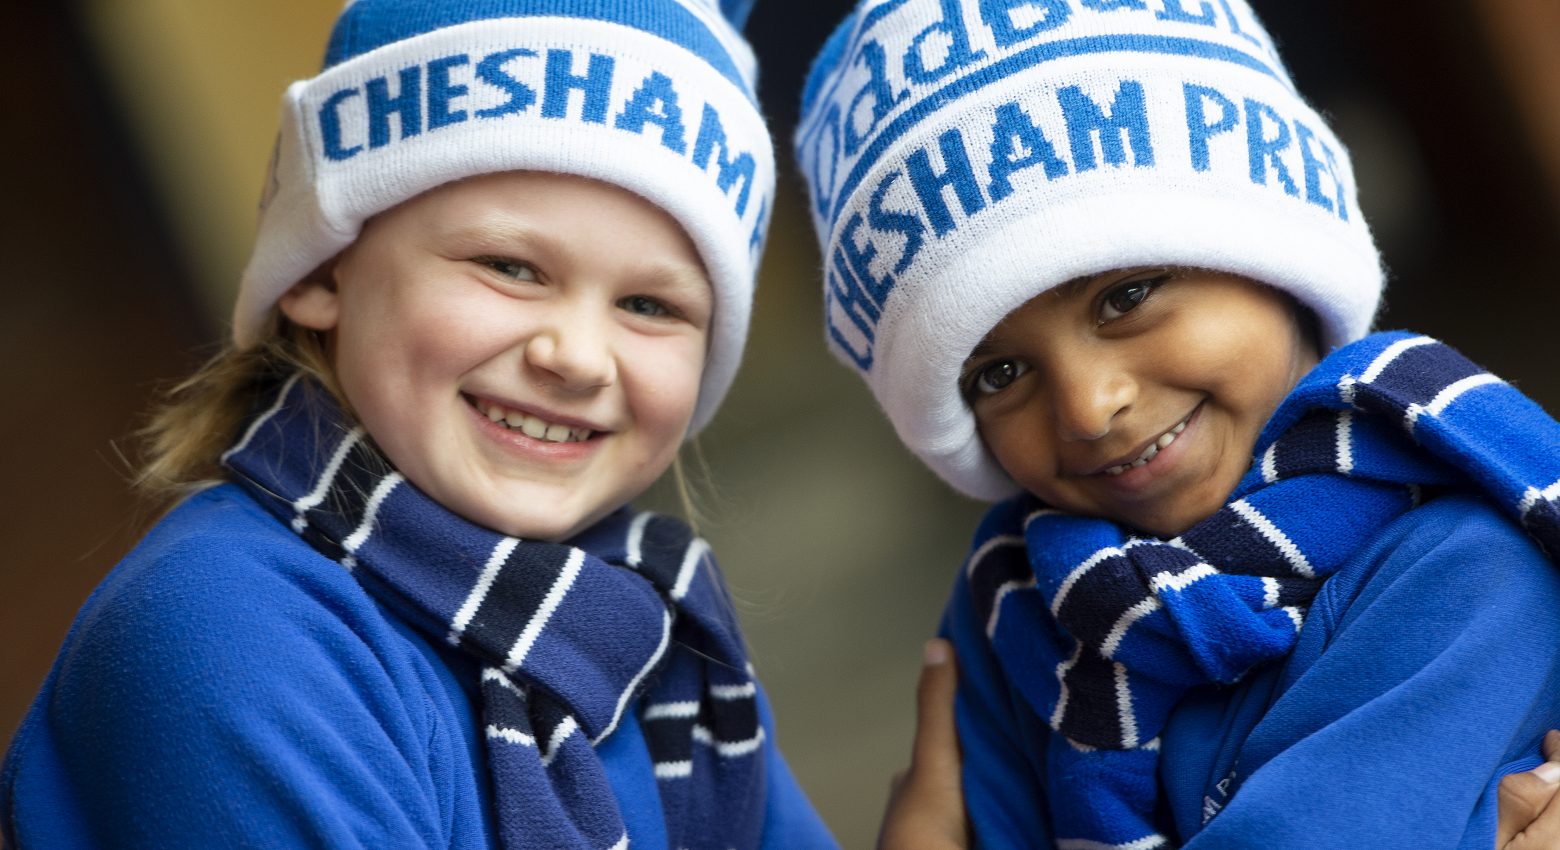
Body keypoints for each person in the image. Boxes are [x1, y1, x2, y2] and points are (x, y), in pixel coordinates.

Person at [0, 1, 848, 847]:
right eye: (510, 267)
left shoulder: (650, 632)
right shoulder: (227, 632)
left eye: (650, 305)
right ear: (323, 265)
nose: (579, 357)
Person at [795, 0, 1560, 847]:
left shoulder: (1472, 565)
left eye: (1126, 297)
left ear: (1275, 256)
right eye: (999, 373)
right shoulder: (1023, 618)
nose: (1089, 407)